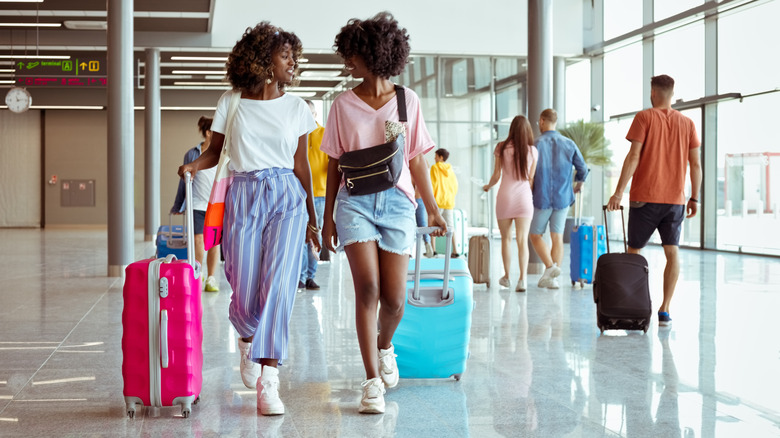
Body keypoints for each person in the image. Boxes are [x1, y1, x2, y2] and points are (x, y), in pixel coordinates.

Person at [178, 22, 320, 416]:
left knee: (279, 285)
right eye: (286, 55)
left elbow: (302, 165)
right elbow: (215, 150)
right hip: (243, 193)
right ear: (262, 59)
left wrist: (312, 217)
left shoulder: (297, 107)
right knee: (241, 284)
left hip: (287, 197)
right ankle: (245, 335)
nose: (294, 63)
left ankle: (270, 381)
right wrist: (192, 167)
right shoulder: (232, 101)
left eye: (295, 56)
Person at [321, 12, 447, 415]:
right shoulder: (342, 105)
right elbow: (333, 165)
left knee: (394, 301)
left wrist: (433, 208)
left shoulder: (407, 102)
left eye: (352, 54)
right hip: (353, 203)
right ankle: (371, 381)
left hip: (397, 205)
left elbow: (416, 161)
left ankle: (385, 345)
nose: (347, 63)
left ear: (374, 54)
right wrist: (326, 219)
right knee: (368, 291)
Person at [606, 74, 701, 327]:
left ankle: (633, 304)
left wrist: (618, 192)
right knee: (672, 252)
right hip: (675, 201)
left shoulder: (644, 117)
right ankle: (665, 310)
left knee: (634, 252)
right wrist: (695, 198)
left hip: (644, 199)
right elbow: (696, 164)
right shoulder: (688, 123)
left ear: (653, 93)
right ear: (671, 93)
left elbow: (633, 156)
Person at [529, 108, 588, 289]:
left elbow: (528, 172)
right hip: (563, 198)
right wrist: (578, 184)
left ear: (542, 121)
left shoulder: (535, 144)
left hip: (542, 197)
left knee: (535, 235)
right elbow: (583, 169)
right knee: (557, 237)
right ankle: (553, 279)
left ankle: (550, 267)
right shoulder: (569, 144)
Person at [483, 116, 538, 292]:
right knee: (522, 240)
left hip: (505, 197)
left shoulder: (501, 147)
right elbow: (530, 179)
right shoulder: (533, 151)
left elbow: (496, 175)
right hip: (524, 198)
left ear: (512, 129)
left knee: (506, 239)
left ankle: (506, 277)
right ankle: (522, 280)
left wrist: (487, 186)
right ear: (527, 130)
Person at [170, 117, 221, 292]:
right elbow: (183, 181)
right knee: (198, 240)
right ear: (208, 133)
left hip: (215, 205)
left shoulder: (223, 153)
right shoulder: (192, 154)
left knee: (214, 242)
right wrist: (178, 205)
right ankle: (199, 275)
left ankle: (212, 278)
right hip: (197, 204)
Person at [298, 100, 328, 291]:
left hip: (319, 194)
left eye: (310, 113)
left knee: (314, 237)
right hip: (299, 195)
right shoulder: (295, 134)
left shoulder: (325, 134)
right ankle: (300, 277)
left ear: (315, 115)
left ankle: (310, 276)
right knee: (300, 238)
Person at [430, 148, 460, 257]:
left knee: (432, 225)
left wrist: (431, 199)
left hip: (438, 201)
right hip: (449, 201)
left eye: (436, 156)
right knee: (450, 227)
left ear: (441, 157)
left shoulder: (435, 168)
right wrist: (451, 196)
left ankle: (433, 250)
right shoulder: (450, 169)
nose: (434, 158)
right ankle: (455, 251)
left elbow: (433, 184)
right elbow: (455, 185)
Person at [413, 183, 434, 257]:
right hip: (420, 198)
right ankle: (427, 243)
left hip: (411, 199)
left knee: (410, 223)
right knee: (422, 223)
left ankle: (409, 249)